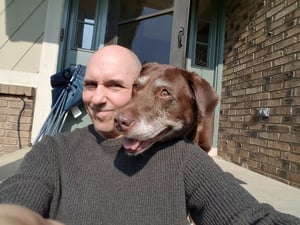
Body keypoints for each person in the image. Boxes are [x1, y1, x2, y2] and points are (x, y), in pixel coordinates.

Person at [0, 45, 299, 225]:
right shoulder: (54, 150)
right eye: (91, 85)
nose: (98, 99)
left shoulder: (182, 158)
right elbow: (14, 206)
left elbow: (248, 218)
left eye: (115, 85)